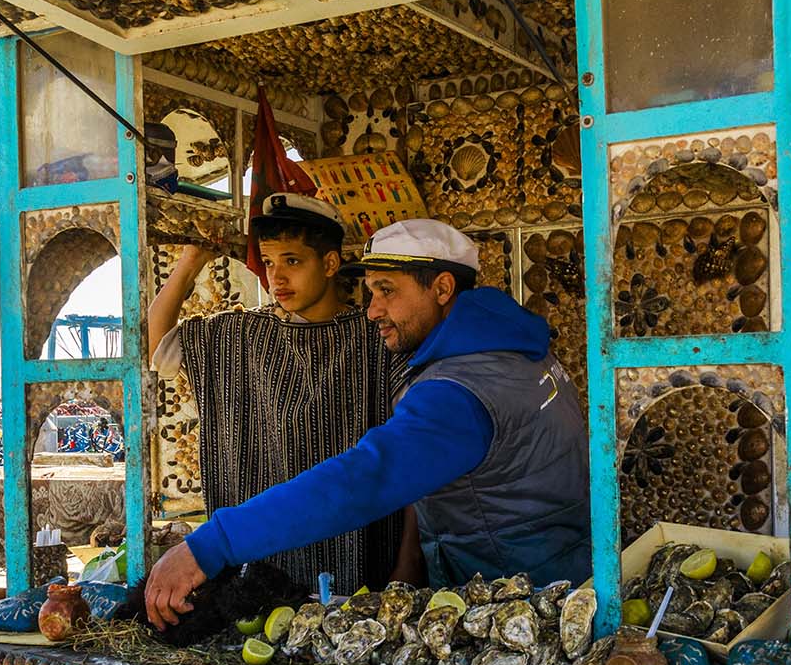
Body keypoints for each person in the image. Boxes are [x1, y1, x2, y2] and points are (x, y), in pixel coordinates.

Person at [146, 219, 591, 629]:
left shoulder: (460, 388)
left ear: (441, 287)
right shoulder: (513, 348)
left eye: (386, 291)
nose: (373, 310)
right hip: (553, 569)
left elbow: (365, 478)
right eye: (371, 293)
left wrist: (211, 545)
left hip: (522, 597)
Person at [147, 192, 406, 591]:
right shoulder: (239, 334)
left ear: (331, 263)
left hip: (356, 564)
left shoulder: (374, 338)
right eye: (268, 263)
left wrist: (406, 567)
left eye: (292, 261)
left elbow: (410, 459)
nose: (277, 278)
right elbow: (156, 344)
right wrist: (191, 261)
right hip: (261, 569)